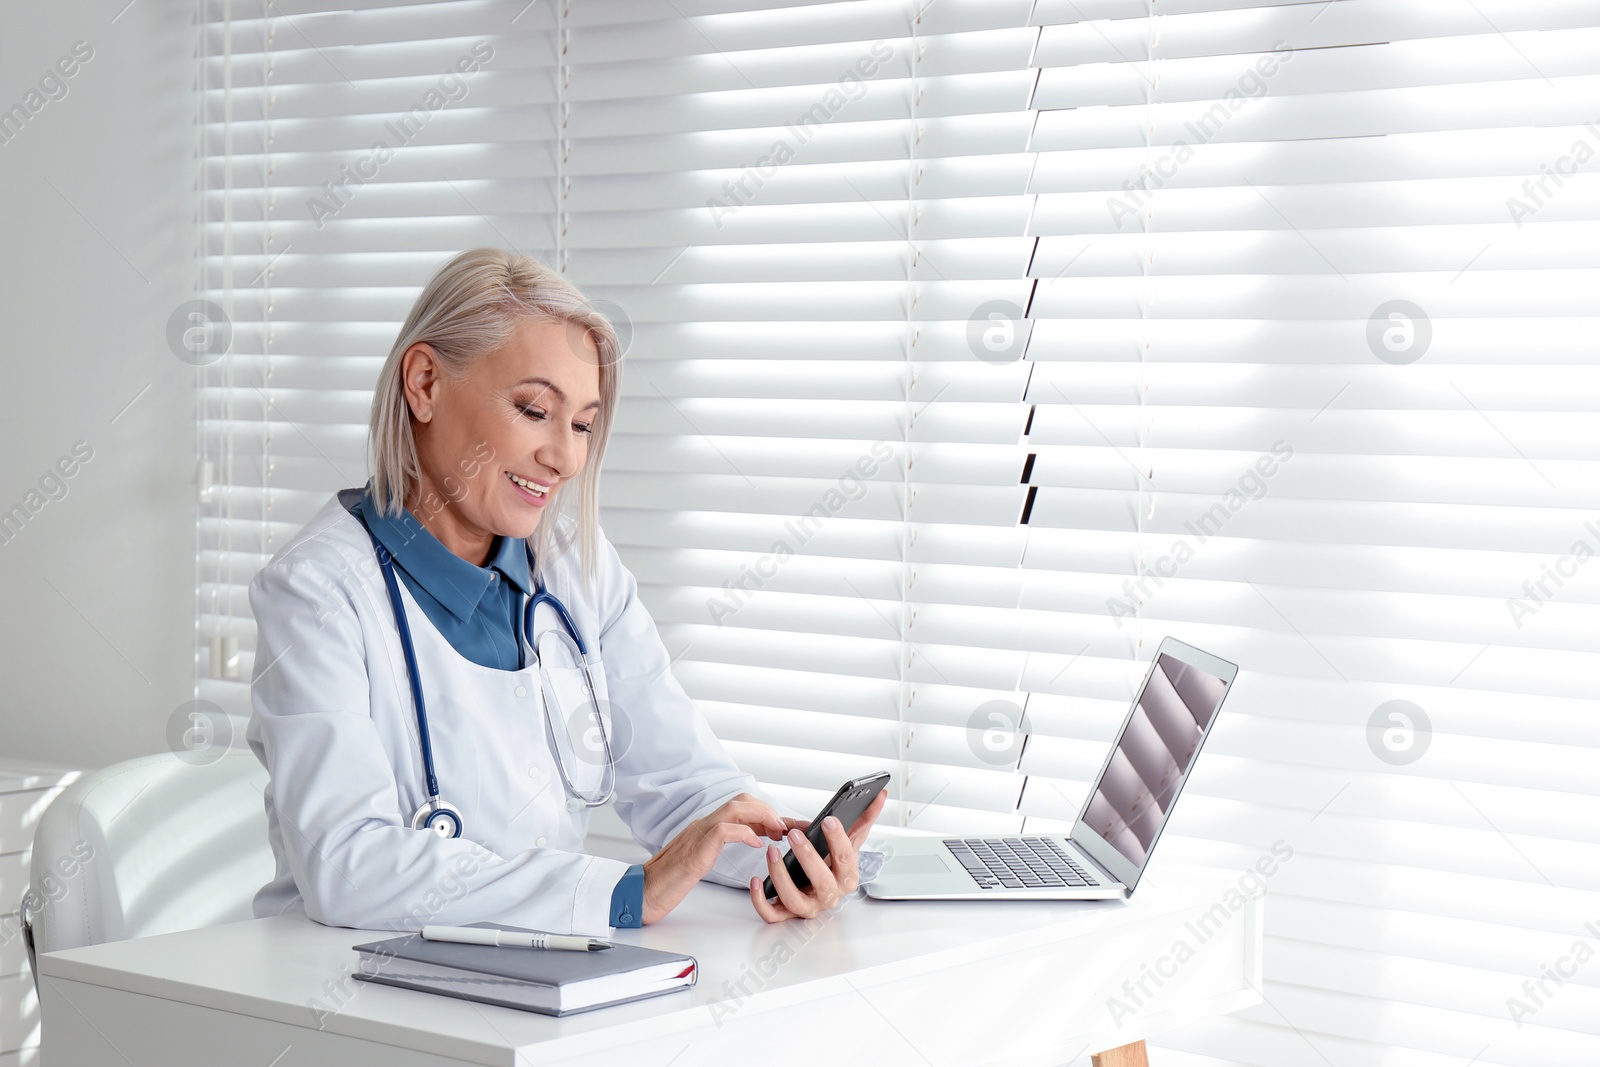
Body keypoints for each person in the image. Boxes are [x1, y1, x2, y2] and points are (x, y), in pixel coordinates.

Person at [246, 248, 885, 935]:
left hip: (535, 984)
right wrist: (625, 893)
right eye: (533, 409)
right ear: (425, 382)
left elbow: (684, 791)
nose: (568, 457)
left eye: (582, 423)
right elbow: (349, 865)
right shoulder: (317, 592)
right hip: (344, 988)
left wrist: (788, 860)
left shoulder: (575, 567)